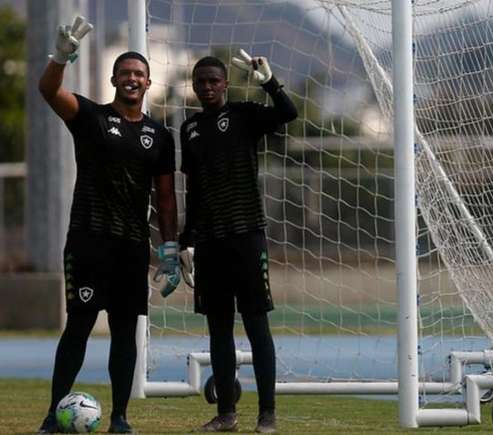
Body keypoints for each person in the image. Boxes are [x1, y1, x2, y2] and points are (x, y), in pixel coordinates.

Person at [36, 16, 181, 434]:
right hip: (88, 242)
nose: (132, 79)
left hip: (131, 248)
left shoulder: (160, 135)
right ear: (114, 79)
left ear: (148, 83)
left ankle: (120, 417)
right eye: (125, 73)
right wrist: (60, 57)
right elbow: (48, 90)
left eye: (139, 74)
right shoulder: (91, 118)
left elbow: (165, 197)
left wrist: (169, 249)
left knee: (124, 333)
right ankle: (52, 416)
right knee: (78, 327)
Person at [179, 51, 297, 433]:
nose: (207, 87)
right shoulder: (190, 128)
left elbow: (288, 113)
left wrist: (269, 81)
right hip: (210, 244)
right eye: (201, 82)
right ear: (194, 86)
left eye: (214, 80)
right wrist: (185, 241)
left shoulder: (245, 114)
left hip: (247, 237)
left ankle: (267, 414)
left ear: (225, 84)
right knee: (218, 329)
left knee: (256, 325)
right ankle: (226, 413)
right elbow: (193, 189)